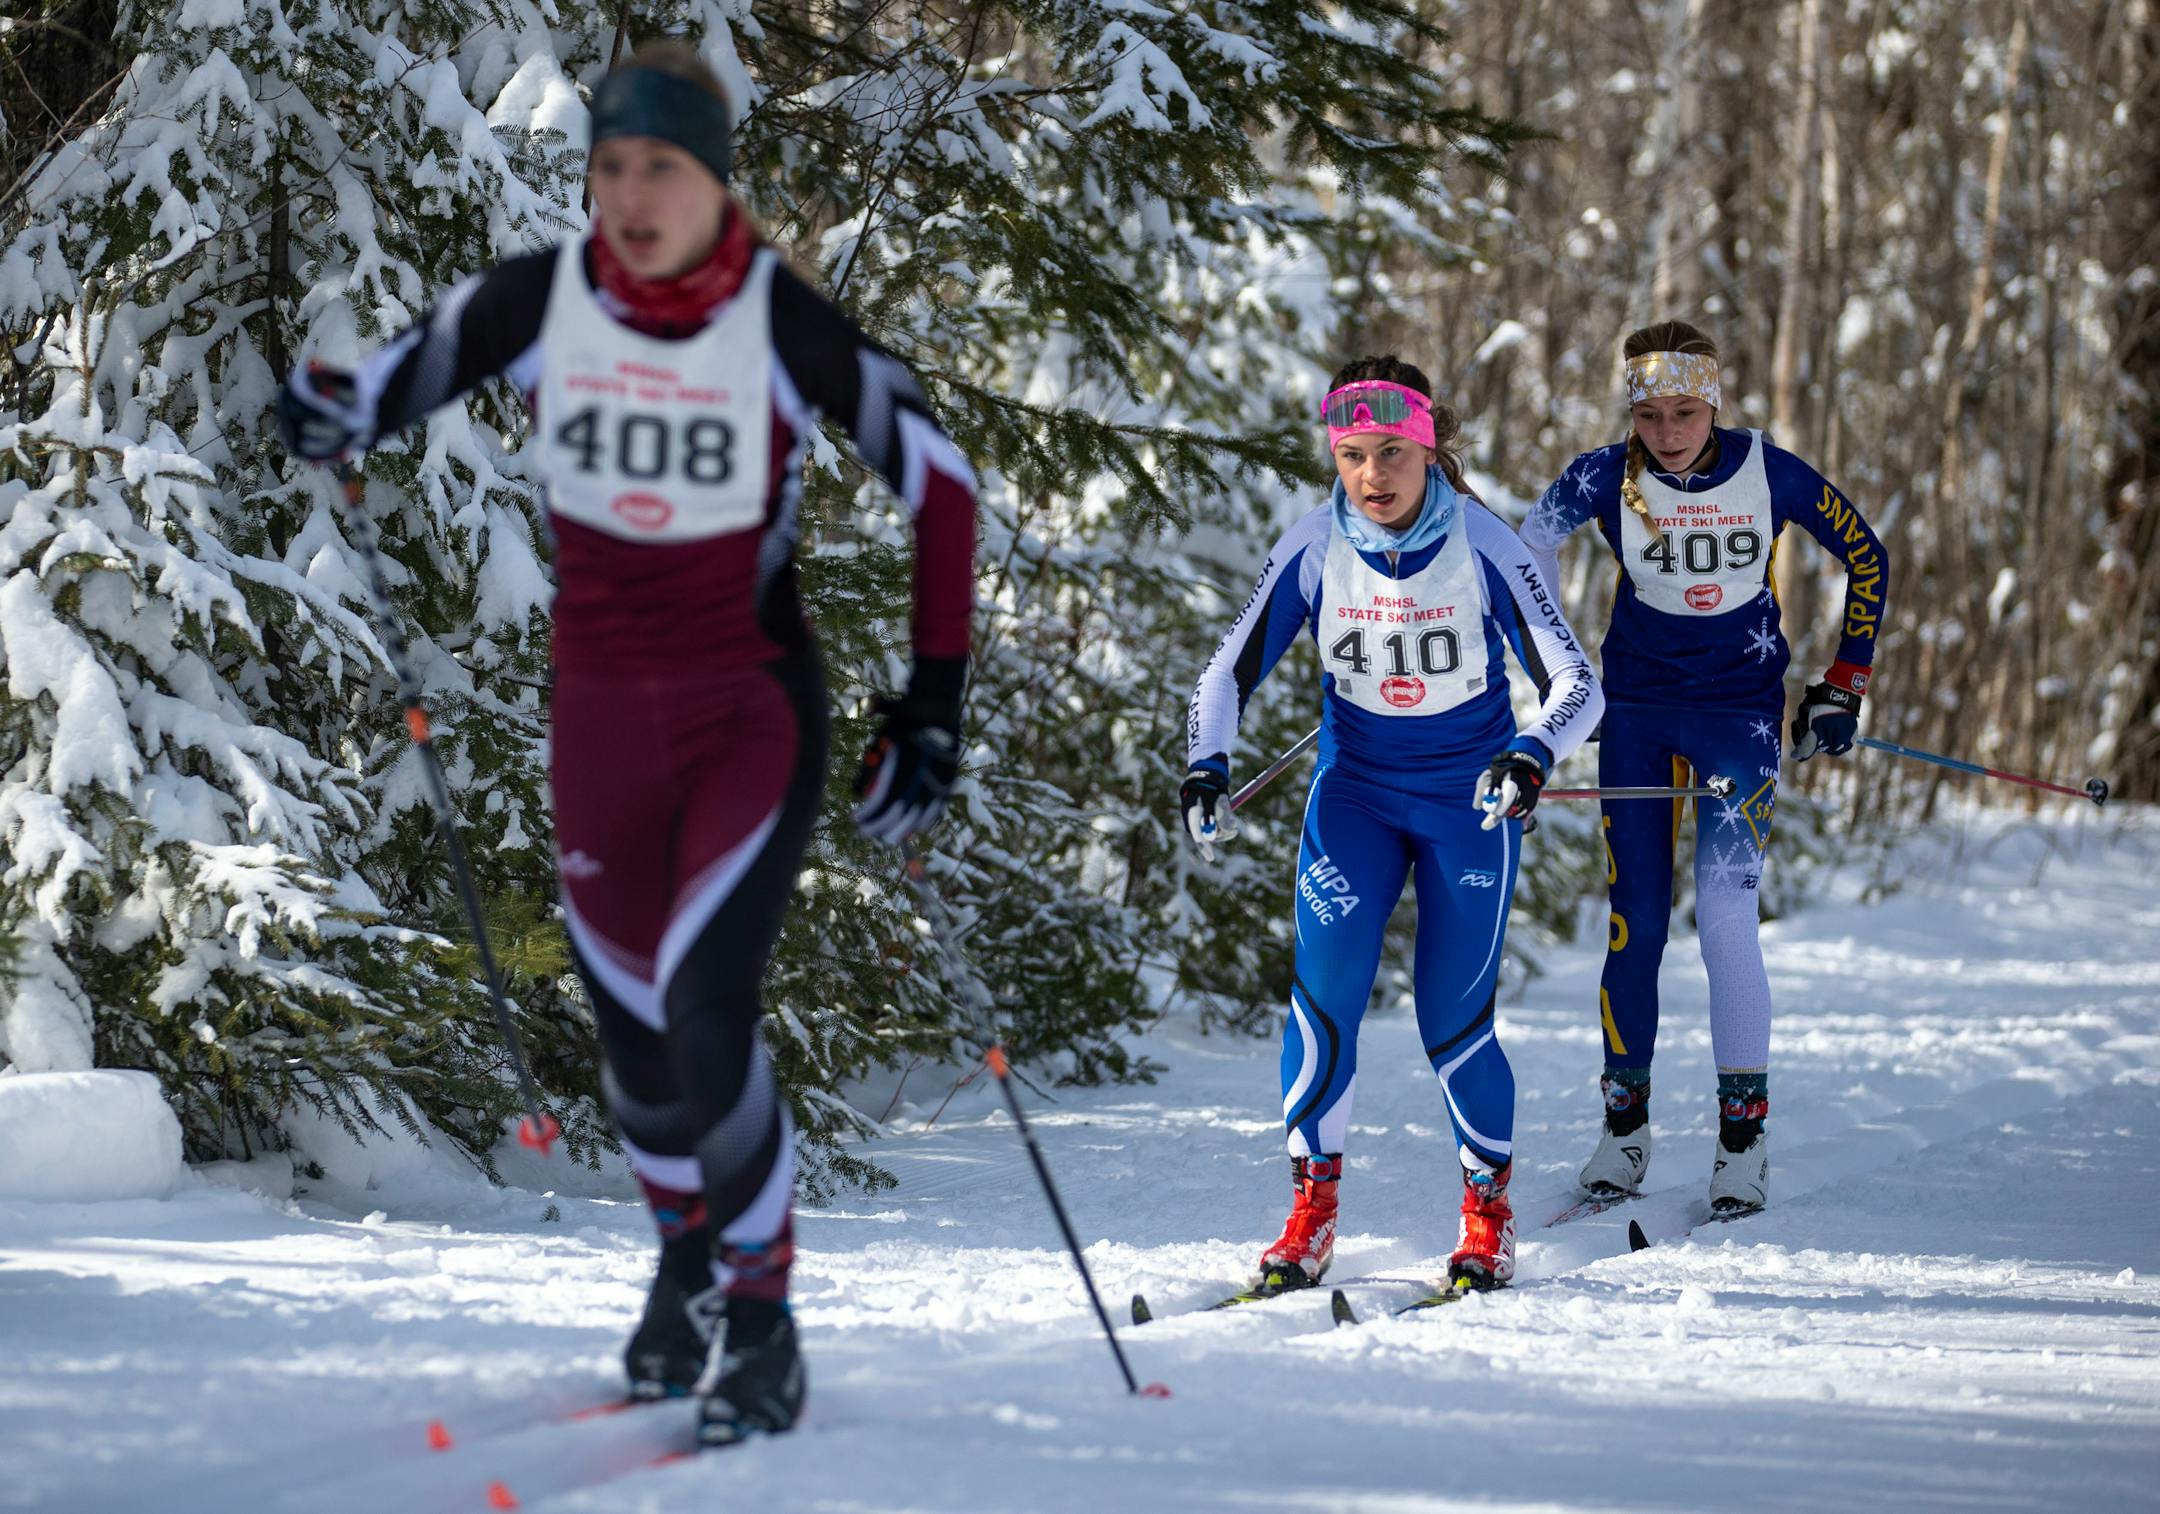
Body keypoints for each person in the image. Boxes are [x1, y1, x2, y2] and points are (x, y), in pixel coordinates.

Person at [274, 43, 977, 1445]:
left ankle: (763, 1320)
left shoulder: (778, 321)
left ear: (717, 185)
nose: (632, 194)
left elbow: (942, 486)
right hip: (598, 722)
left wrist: (933, 704)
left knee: (703, 1006)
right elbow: (378, 391)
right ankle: (682, 1262)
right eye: (609, 167)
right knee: (637, 1052)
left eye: (662, 167)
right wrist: (328, 409)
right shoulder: (538, 301)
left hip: (747, 711)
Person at [1181, 356, 1602, 1292]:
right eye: (1354, 455)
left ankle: (1487, 1214)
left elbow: (1578, 685)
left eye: (1395, 453)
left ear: (1430, 446)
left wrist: (1531, 755)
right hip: (1357, 797)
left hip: (1469, 803)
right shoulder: (1311, 545)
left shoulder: (1486, 544)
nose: (1374, 475)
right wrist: (1206, 763)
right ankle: (1311, 1212)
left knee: (1453, 1019)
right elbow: (1226, 672)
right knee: (1322, 1003)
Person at [1520, 320, 1889, 1216]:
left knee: (1725, 918)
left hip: (1739, 719)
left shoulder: (1770, 470)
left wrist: (1843, 683)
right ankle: (1624, 1130)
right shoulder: (1605, 475)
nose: (1667, 430)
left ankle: (1741, 1140)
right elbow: (1524, 545)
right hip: (1637, 713)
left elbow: (1867, 555)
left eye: (1684, 411)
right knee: (1634, 922)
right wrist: (1556, 669)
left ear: (1713, 402)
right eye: (1648, 413)